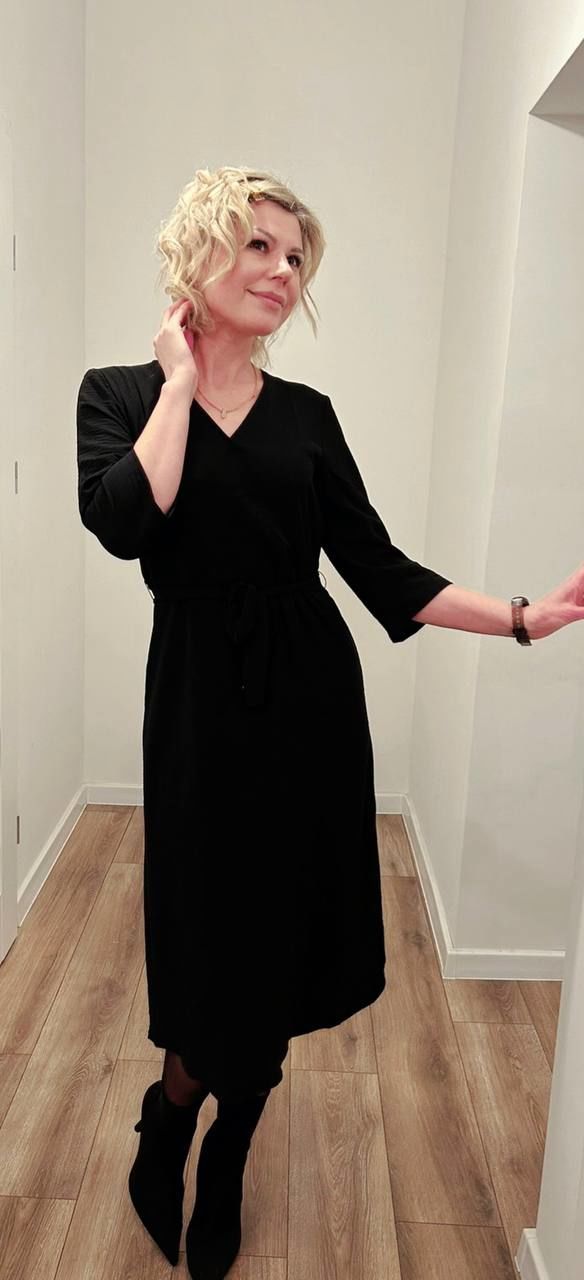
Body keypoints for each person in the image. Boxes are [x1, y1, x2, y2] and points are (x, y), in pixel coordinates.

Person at [76, 165, 454, 1278]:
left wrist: (528, 616)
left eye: (296, 257)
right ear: (196, 252)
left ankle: (228, 1152)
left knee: (282, 940)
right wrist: (178, 383)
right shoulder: (116, 393)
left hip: (310, 708)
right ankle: (169, 1120)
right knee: (208, 945)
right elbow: (123, 523)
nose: (283, 271)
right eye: (258, 246)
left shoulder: (307, 417)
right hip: (198, 705)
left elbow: (384, 572)